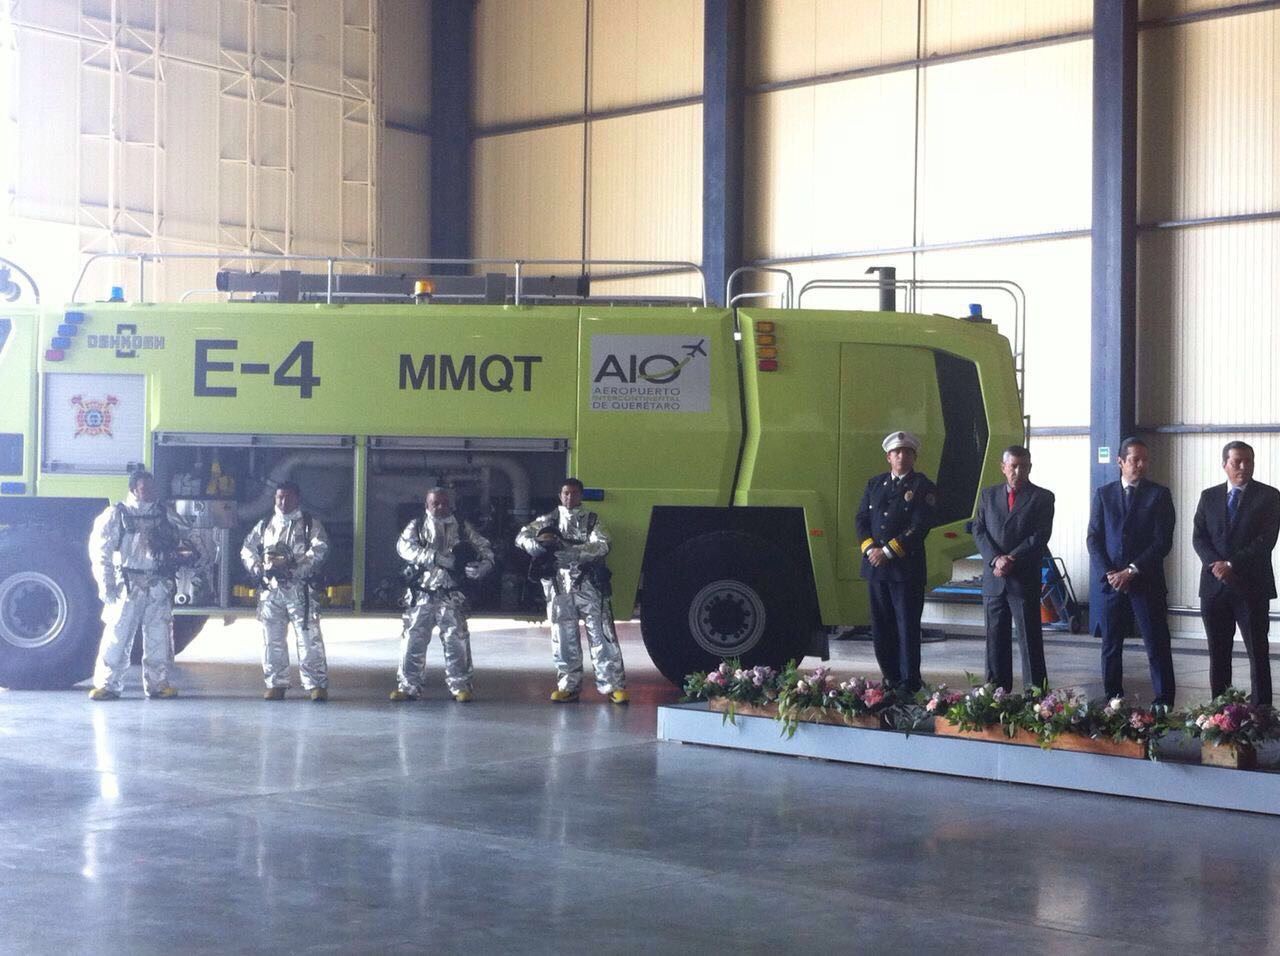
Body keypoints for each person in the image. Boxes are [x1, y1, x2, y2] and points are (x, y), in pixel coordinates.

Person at [516, 478, 628, 704]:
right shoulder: (549, 520)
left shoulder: (592, 520)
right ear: (560, 495)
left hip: (589, 585)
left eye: (574, 493)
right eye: (566, 493)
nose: (570, 497)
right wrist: (535, 546)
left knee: (602, 635)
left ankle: (613, 685)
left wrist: (576, 553)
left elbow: (603, 544)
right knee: (563, 637)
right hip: (559, 587)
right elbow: (521, 536)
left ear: (581, 496)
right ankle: (568, 685)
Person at [1086, 437, 1177, 706]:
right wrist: (1110, 573)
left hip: (1146, 581)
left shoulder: (1159, 495)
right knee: (1111, 646)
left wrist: (1132, 570)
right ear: (1120, 462)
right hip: (1112, 583)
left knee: (1156, 644)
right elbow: (1094, 538)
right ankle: (1113, 699)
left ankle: (1163, 701)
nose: (1140, 465)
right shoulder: (1104, 495)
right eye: (1135, 460)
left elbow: (1162, 541)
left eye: (1144, 460)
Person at [87, 469, 192, 700]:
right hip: (128, 585)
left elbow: (187, 536)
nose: (150, 492)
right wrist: (106, 585)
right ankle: (107, 685)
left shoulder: (165, 514)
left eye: (152, 488)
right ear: (133, 489)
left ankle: (158, 684)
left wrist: (185, 554)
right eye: (145, 488)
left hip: (157, 583)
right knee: (117, 636)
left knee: (159, 638)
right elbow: (101, 551)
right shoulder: (117, 515)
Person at [1192, 440, 1280, 707]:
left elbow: (1266, 540)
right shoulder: (1209, 496)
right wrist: (1216, 565)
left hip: (1251, 586)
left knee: (1258, 653)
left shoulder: (1269, 496)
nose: (1243, 467)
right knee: (1218, 653)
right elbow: (1199, 537)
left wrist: (1231, 565)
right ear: (1224, 464)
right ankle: (1221, 711)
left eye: (1248, 461)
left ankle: (1261, 712)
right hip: (1214, 587)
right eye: (1236, 462)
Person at [389, 488, 493, 703]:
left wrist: (483, 567)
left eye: (444, 503)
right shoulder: (417, 525)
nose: (440, 507)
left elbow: (485, 549)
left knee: (457, 641)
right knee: (412, 641)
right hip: (421, 594)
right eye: (435, 503)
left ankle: (460, 686)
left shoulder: (462, 527)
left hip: (450, 595)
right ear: (427, 505)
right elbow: (404, 547)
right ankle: (408, 686)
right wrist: (434, 557)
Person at [854, 430, 937, 691]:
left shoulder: (922, 486)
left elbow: (920, 525)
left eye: (907, 452)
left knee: (906, 627)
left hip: (905, 570)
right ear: (888, 457)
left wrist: (887, 551)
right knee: (881, 626)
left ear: (914, 457)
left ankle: (909, 682)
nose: (902, 456)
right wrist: (870, 549)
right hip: (875, 569)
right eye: (896, 452)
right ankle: (889, 677)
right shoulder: (875, 484)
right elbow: (861, 520)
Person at [973, 445, 1054, 693]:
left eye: (1023, 467)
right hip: (994, 579)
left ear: (1030, 468)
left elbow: (1039, 535)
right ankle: (996, 692)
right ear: (1003, 467)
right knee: (995, 638)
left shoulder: (1042, 497)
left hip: (1022, 578)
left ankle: (1035, 695)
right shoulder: (988, 495)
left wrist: (1011, 559)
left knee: (1029, 639)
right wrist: (995, 559)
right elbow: (979, 530)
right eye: (1013, 466)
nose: (1018, 472)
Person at [240, 481, 330, 701]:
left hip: (300, 590)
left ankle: (316, 685)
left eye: (288, 497)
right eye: (279, 497)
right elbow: (247, 549)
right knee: (272, 639)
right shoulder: (265, 525)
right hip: (271, 591)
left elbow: (320, 549)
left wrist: (296, 569)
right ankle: (276, 684)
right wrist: (258, 568)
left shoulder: (309, 524)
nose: (283, 502)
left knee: (309, 638)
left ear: (297, 498)